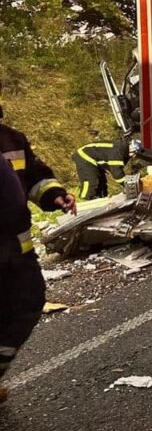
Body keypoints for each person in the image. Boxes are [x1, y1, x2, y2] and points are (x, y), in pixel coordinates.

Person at [0, 82, 76, 403]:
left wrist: (54, 195)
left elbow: (34, 177)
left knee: (27, 306)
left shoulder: (12, 139)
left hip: (17, 252)